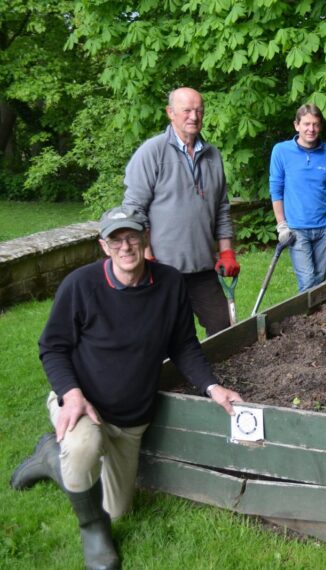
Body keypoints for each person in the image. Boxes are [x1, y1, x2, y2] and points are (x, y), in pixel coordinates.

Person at [9, 206, 243, 569]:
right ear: (104, 246)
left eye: (132, 236)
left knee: (118, 509)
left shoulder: (169, 284)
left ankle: (50, 458)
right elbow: (52, 347)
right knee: (83, 446)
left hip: (132, 419)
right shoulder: (80, 285)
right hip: (84, 405)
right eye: (115, 239)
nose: (125, 246)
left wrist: (212, 387)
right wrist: (71, 395)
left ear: (145, 237)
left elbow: (183, 345)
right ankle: (93, 531)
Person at [123, 87, 239, 336]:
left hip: (203, 269)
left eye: (199, 110)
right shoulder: (152, 152)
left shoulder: (212, 156)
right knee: (168, 337)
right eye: (186, 110)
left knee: (223, 330)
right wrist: (146, 255)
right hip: (162, 270)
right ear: (170, 113)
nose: (193, 117)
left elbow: (221, 208)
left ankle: (218, 376)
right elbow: (134, 210)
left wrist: (227, 251)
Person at [269, 103, 326, 292]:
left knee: (320, 280)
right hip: (297, 229)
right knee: (308, 282)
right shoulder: (281, 151)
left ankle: (317, 320)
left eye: (316, 125)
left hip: (325, 228)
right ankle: (306, 320)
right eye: (306, 124)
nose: (311, 129)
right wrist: (282, 226)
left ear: (320, 127)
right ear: (297, 125)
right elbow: (276, 190)